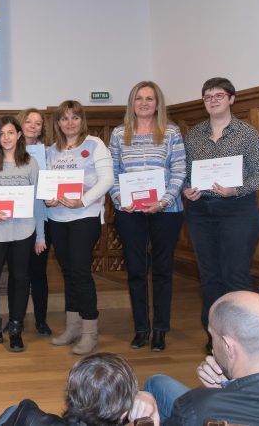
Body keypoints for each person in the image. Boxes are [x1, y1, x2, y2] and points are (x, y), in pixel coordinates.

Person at [182, 77, 259, 352]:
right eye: (207, 97)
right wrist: (187, 190)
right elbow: (184, 174)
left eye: (219, 95)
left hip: (238, 211)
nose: (213, 101)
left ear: (232, 99)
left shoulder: (247, 133)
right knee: (209, 277)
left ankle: (243, 339)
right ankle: (215, 338)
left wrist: (238, 189)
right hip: (200, 212)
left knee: (235, 276)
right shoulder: (194, 135)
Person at [109, 81, 186, 352]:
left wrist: (163, 201)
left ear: (157, 103)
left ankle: (160, 329)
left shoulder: (171, 132)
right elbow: (113, 171)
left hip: (166, 212)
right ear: (132, 103)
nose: (144, 103)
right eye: (139, 98)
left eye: (149, 99)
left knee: (163, 270)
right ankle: (141, 328)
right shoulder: (120, 134)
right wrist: (120, 197)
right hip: (130, 213)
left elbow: (179, 170)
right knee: (136, 271)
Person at [141, 290, 259, 425]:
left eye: (213, 336)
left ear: (228, 346)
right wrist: (225, 389)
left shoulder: (195, 407)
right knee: (158, 383)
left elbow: (196, 411)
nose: (212, 348)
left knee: (151, 392)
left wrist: (211, 395)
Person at [0, 116, 44, 353]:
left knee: (20, 281)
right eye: (2, 134)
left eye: (10, 133)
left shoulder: (31, 163)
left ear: (19, 135)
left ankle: (15, 329)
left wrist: (41, 236)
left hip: (24, 231)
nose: (6, 138)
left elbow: (38, 201)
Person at [45, 100, 113, 355]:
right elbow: (48, 183)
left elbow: (107, 180)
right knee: (68, 272)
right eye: (64, 118)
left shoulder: (95, 144)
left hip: (86, 215)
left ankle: (89, 332)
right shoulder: (51, 150)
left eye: (74, 118)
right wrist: (48, 197)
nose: (69, 123)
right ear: (58, 123)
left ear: (81, 120)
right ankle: (72, 328)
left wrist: (82, 200)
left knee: (81, 272)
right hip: (58, 218)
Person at [0, 352, 154, 426]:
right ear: (125, 415)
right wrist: (147, 396)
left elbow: (23, 413)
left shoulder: (33, 417)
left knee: (13, 410)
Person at [16, 108, 52, 337]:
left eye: (38, 123)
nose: (33, 126)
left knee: (38, 272)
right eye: (28, 121)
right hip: (16, 219)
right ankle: (16, 320)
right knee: (19, 273)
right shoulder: (8, 151)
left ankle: (41, 320)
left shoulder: (47, 154)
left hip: (41, 218)